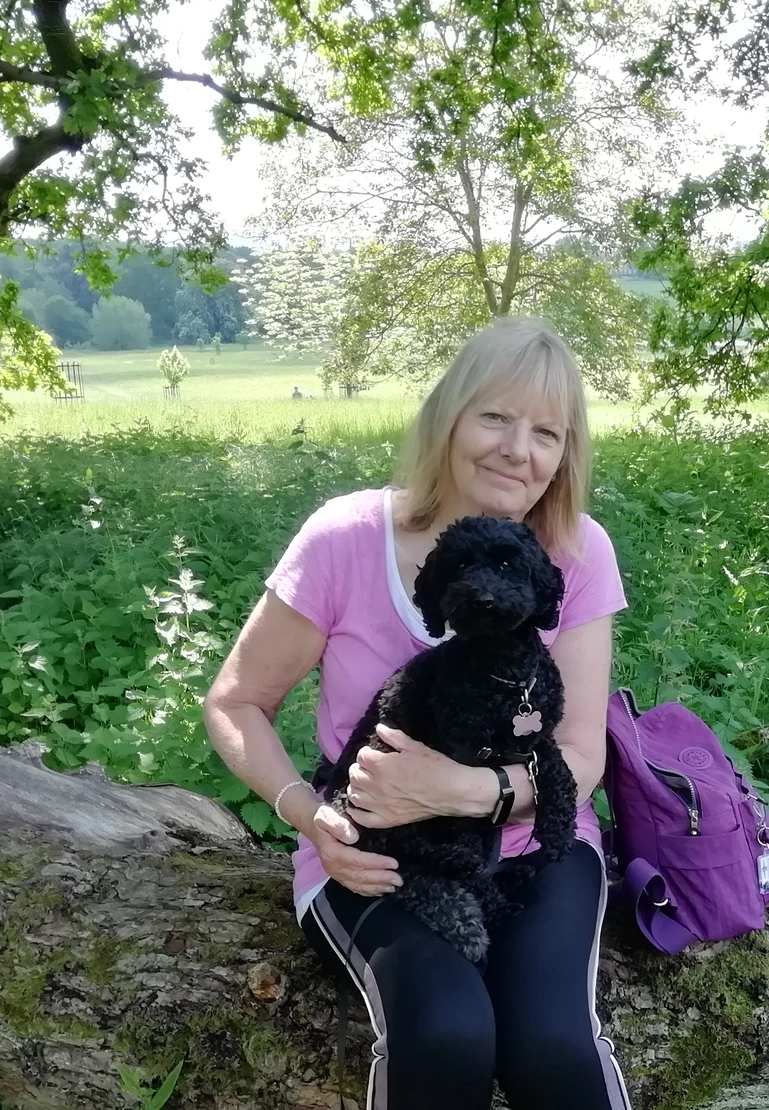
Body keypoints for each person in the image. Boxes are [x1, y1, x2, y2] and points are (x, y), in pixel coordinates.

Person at [203, 320, 631, 1110]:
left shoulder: (575, 552)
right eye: (495, 417)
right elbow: (235, 703)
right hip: (381, 853)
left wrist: (466, 792)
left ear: (564, 454)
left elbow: (580, 751)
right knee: (446, 1034)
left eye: (546, 432)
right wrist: (308, 814)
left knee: (551, 1045)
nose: (517, 450)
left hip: (536, 844)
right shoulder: (345, 538)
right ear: (449, 418)